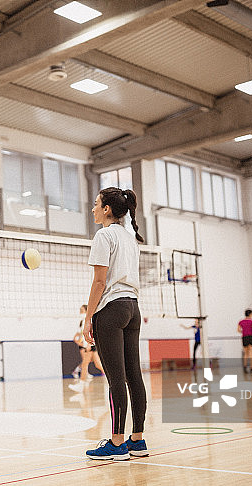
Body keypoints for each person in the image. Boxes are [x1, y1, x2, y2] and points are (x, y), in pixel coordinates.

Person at [82, 187, 149, 461]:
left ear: (107, 209)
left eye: (96, 204)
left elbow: (99, 282)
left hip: (111, 309)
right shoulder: (130, 239)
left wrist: (88, 317)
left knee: (115, 379)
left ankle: (117, 443)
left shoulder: (104, 235)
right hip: (133, 308)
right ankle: (138, 440)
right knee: (134, 376)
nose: (93, 209)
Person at [69, 304, 105, 392]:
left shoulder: (87, 319)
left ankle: (80, 386)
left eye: (82, 310)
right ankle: (115, 377)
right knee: (97, 364)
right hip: (88, 344)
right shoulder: (82, 321)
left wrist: (88, 344)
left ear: (86, 310)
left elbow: (91, 331)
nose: (80, 312)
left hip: (90, 344)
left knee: (85, 364)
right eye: (80, 310)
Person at [238, 309, 252, 375]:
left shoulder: (241, 321)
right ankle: (251, 368)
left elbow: (238, 330)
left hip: (244, 337)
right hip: (251, 337)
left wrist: (244, 332)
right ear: (250, 314)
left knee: (246, 353)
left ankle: (245, 367)